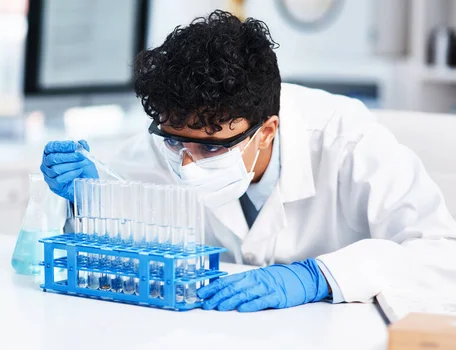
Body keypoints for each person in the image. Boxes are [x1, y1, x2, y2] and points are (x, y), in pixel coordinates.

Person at [41, 10, 456, 312]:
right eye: (175, 143)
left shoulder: (347, 141)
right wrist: (86, 193)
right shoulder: (169, 138)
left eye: (212, 148)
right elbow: (112, 224)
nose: (186, 163)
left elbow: (442, 255)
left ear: (267, 131)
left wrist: (317, 277)